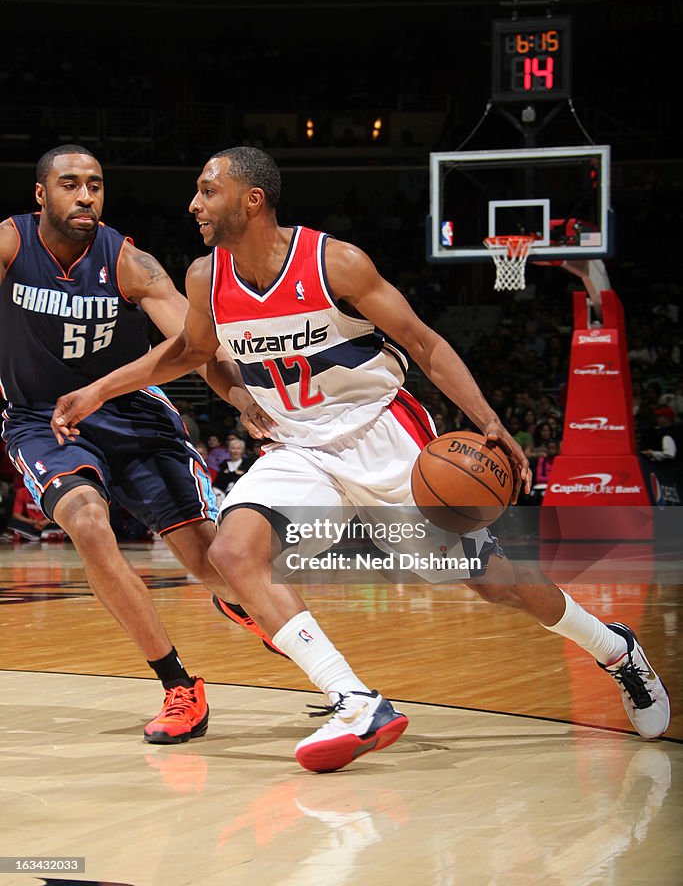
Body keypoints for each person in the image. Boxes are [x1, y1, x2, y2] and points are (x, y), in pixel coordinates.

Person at [51, 146, 671, 771]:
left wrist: (489, 421)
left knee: (495, 583)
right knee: (232, 552)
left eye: (208, 191)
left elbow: (425, 346)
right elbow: (191, 352)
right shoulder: (205, 278)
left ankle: (614, 648)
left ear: (251, 200)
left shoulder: (334, 263)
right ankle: (354, 700)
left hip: (381, 436)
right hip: (299, 446)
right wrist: (103, 389)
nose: (193, 204)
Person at [0, 143, 279, 746]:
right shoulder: (10, 245)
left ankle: (237, 603)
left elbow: (195, 341)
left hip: (132, 415)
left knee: (213, 565)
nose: (86, 196)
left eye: (95, 185)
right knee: (86, 521)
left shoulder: (129, 262)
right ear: (41, 195)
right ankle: (180, 685)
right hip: (44, 420)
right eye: (70, 184)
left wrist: (243, 399)